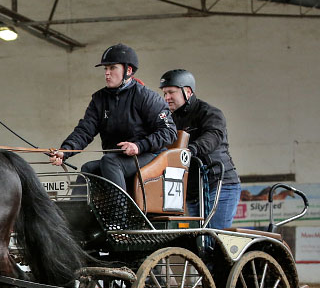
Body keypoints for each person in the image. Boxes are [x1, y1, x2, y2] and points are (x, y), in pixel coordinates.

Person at [49, 44, 177, 192]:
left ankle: (120, 214)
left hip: (148, 155)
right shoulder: (99, 98)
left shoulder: (147, 97)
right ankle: (75, 213)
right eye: (105, 69)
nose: (107, 73)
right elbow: (85, 130)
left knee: (109, 162)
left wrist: (138, 146)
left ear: (128, 71)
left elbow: (169, 132)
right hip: (116, 160)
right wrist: (65, 151)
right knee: (88, 168)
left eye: (112, 68)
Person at [159, 69, 240, 229]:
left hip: (219, 184)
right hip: (192, 190)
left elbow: (213, 136)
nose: (167, 97)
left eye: (171, 92)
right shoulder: (169, 119)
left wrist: (190, 150)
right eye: (164, 93)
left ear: (187, 91)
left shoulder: (210, 113)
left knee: (216, 236)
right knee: (198, 241)